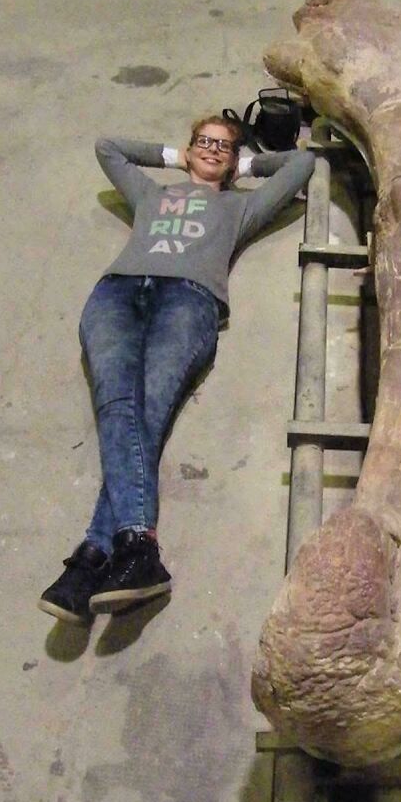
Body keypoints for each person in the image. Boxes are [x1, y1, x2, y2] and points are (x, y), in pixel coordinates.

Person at [38, 115, 315, 625]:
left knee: (145, 414)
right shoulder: (150, 195)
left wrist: (244, 165)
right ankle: (130, 553)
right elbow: (108, 144)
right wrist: (176, 157)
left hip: (189, 300)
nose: (212, 150)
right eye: (203, 142)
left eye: (223, 146)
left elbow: (301, 163)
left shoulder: (241, 205)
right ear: (188, 149)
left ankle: (94, 557)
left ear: (234, 161)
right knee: (120, 408)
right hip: (116, 293)